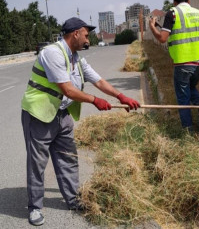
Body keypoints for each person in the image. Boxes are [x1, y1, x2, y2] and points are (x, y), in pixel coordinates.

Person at [21, 17, 140, 226]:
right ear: (75, 33)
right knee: (37, 164)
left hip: (62, 114)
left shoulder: (77, 58)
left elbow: (99, 80)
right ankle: (35, 207)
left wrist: (121, 97)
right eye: (86, 34)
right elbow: (67, 89)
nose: (88, 38)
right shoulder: (52, 53)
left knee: (68, 157)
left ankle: (73, 199)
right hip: (39, 114)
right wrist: (95, 100)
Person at [149, 0, 199, 132]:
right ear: (189, 0)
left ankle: (188, 131)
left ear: (174, 2)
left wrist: (152, 27)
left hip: (183, 62)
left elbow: (162, 38)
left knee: (182, 97)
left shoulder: (172, 14)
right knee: (189, 88)